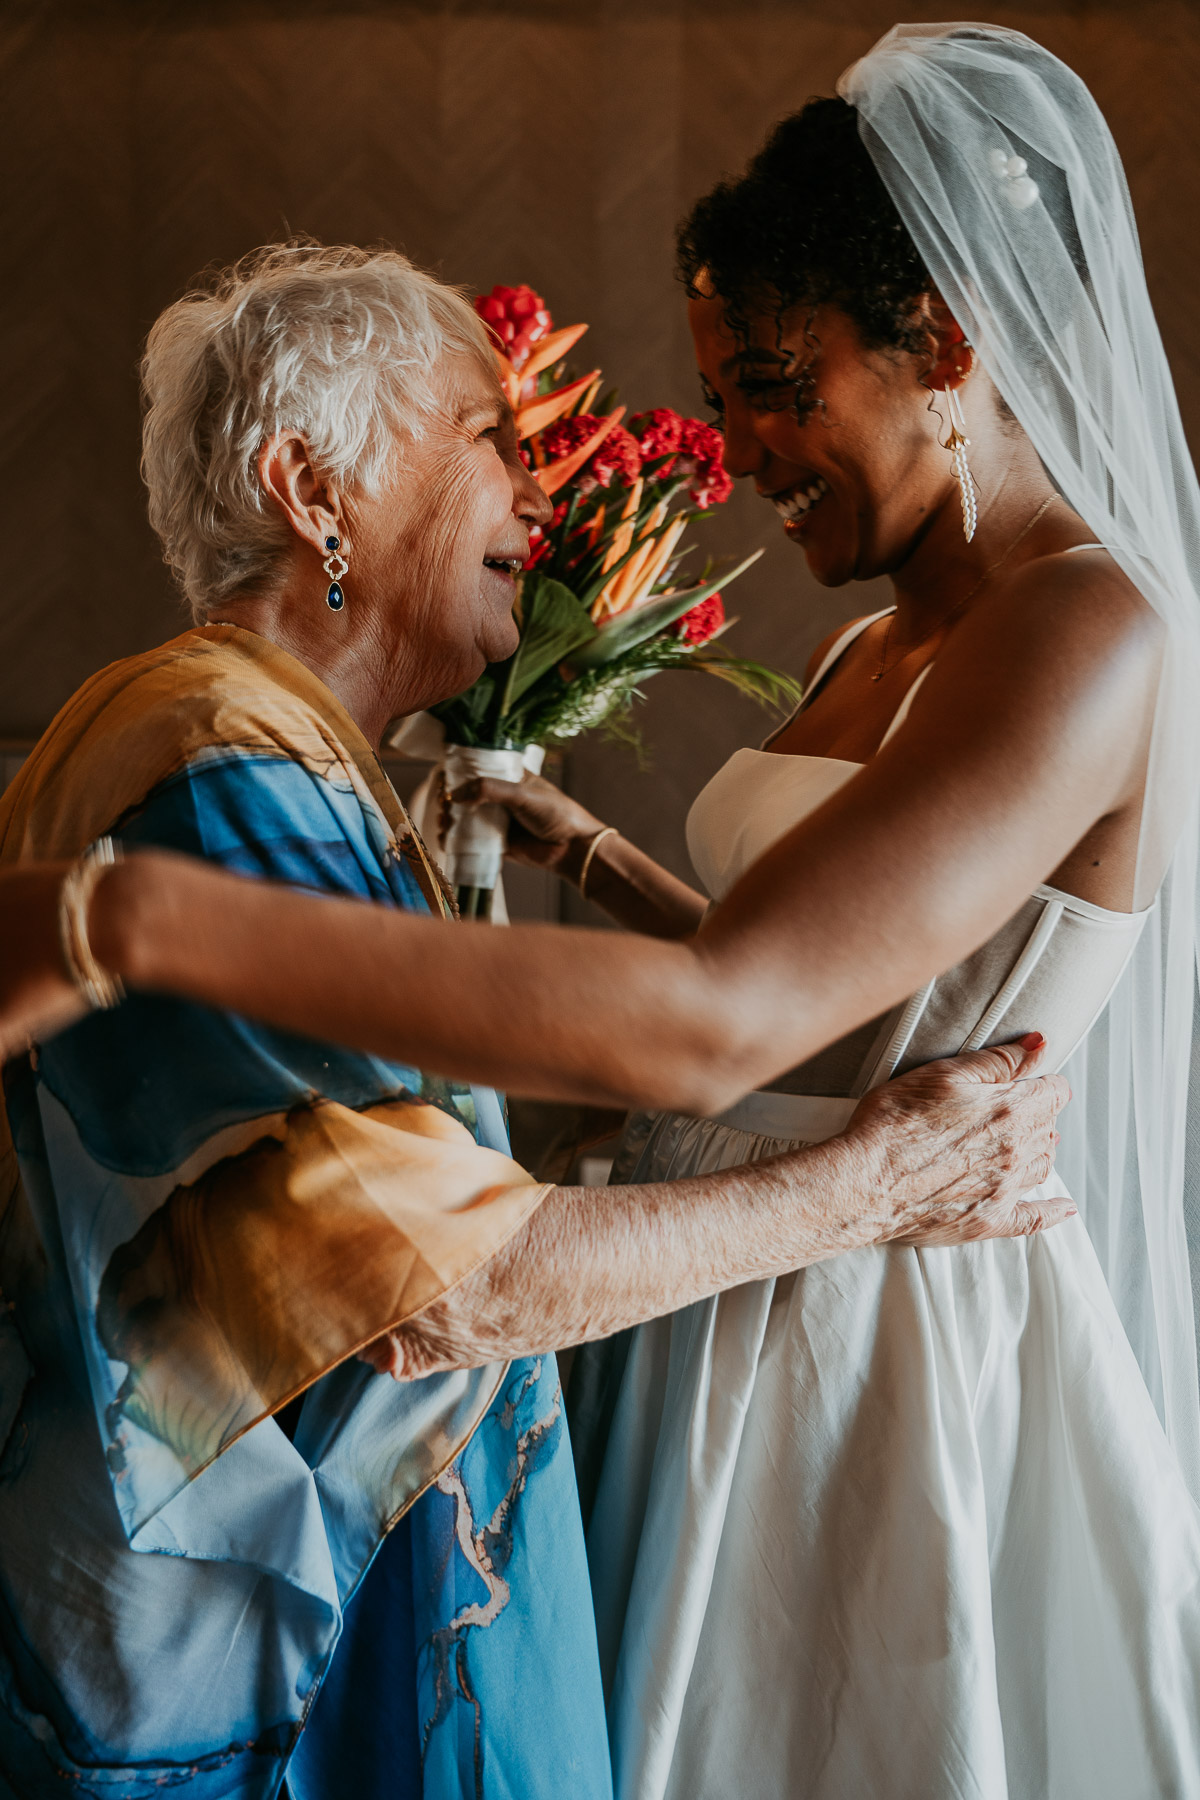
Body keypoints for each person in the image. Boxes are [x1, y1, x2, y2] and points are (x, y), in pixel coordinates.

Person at [9, 22, 1200, 1799]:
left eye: (780, 382)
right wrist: (602, 889)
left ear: (946, 343)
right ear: (314, 497)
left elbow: (734, 1012)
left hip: (880, 1328)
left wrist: (146, 919)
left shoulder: (1085, 629)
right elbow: (766, 994)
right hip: (723, 1280)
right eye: (728, 398)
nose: (740, 447)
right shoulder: (882, 641)